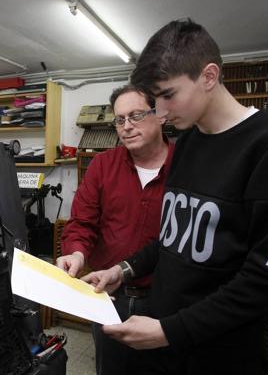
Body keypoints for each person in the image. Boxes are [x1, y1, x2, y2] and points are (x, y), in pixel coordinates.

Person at [82, 19, 268, 375]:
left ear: (208, 76)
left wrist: (170, 330)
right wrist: (122, 270)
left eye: (168, 95)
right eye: (154, 101)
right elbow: (172, 239)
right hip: (163, 346)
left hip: (218, 355)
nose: (160, 112)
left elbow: (264, 280)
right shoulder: (187, 142)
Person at [56, 84, 174, 375]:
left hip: (168, 301)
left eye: (135, 116)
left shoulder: (187, 165)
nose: (126, 127)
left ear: (159, 115)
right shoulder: (102, 166)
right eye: (120, 120)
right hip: (109, 299)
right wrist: (76, 254)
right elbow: (82, 223)